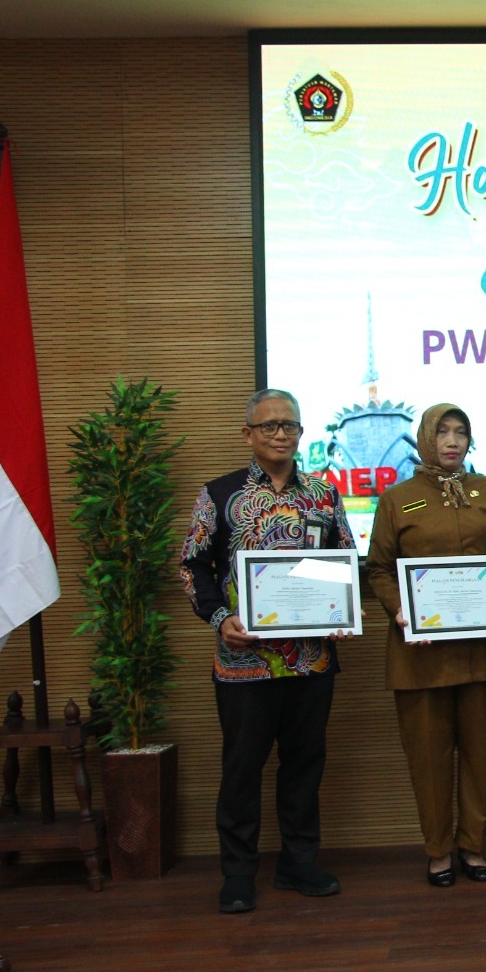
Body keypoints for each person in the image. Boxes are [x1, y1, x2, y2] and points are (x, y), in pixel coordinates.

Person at [180, 388, 354, 914]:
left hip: (311, 658)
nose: (281, 434)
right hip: (244, 662)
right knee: (241, 769)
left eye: (290, 425)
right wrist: (219, 619)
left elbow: (345, 557)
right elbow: (192, 566)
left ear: (301, 432)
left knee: (305, 765)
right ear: (248, 434)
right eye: (270, 425)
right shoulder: (219, 494)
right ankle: (238, 874)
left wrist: (341, 610)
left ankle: (298, 864)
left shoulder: (324, 493)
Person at [367, 404, 486, 887]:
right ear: (424, 438)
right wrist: (399, 608)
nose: (452, 441)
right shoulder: (397, 499)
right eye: (442, 432)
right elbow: (379, 568)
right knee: (429, 759)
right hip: (422, 655)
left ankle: (473, 847)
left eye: (460, 432)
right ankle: (438, 851)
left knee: (482, 756)